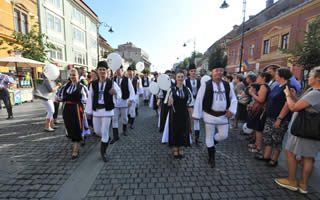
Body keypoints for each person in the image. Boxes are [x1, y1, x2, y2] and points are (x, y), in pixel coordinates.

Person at [275, 66, 320, 194]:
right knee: (308, 157)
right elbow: (301, 105)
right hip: (310, 130)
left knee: (292, 152)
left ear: (318, 78)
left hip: (304, 130)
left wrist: (288, 96)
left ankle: (292, 181)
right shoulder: (313, 91)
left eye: (311, 75)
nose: (308, 77)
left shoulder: (316, 93)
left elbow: (294, 107)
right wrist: (294, 96)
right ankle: (303, 185)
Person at [193, 63, 237, 168]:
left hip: (223, 116)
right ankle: (211, 157)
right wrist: (197, 114)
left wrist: (232, 110)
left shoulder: (228, 85)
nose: (219, 72)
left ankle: (212, 143)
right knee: (209, 136)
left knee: (224, 135)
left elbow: (234, 99)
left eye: (221, 70)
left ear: (223, 72)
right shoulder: (206, 85)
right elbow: (199, 99)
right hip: (209, 115)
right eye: (216, 70)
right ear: (212, 72)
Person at [255, 67, 295, 167]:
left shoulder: (288, 87)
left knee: (276, 139)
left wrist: (280, 118)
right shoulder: (277, 86)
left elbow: (287, 104)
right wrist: (264, 112)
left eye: (276, 74)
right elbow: (270, 101)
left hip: (280, 118)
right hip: (270, 116)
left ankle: (274, 159)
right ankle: (266, 156)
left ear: (281, 76)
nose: (275, 75)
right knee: (267, 136)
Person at [85, 61, 121, 162]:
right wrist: (88, 111)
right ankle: (106, 139)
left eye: (104, 70)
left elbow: (119, 93)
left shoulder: (112, 83)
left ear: (107, 71)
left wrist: (115, 94)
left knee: (104, 131)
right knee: (97, 131)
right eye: (100, 69)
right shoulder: (93, 84)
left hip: (107, 110)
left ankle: (103, 152)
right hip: (97, 110)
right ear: (97, 71)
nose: (102, 71)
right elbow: (90, 98)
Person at [56, 68, 89, 159]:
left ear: (78, 76)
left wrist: (85, 111)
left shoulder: (82, 87)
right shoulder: (66, 86)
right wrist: (59, 99)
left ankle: (75, 150)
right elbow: (59, 94)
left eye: (74, 75)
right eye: (71, 75)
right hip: (67, 109)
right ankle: (81, 137)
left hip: (77, 109)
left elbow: (86, 100)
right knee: (69, 126)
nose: (72, 77)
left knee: (76, 128)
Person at [165, 70, 194, 159]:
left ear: (184, 77)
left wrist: (193, 114)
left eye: (182, 76)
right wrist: (170, 102)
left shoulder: (187, 90)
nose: (180, 78)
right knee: (174, 130)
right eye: (179, 77)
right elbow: (167, 103)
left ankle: (181, 147)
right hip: (174, 113)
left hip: (184, 114)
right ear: (176, 78)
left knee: (183, 130)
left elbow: (190, 103)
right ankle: (175, 148)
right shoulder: (171, 90)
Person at [247, 72, 271, 153]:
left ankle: (258, 148)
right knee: (257, 129)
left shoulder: (263, 87)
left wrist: (252, 94)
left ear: (263, 78)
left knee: (258, 130)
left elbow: (261, 100)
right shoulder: (262, 86)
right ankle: (256, 144)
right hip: (259, 110)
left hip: (260, 111)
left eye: (258, 77)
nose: (257, 79)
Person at [111, 66, 135, 143]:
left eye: (119, 69)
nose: (118, 71)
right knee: (114, 119)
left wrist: (130, 100)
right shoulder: (112, 79)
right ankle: (115, 136)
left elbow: (131, 90)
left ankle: (124, 129)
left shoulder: (126, 79)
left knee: (125, 118)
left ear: (122, 70)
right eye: (117, 69)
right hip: (115, 101)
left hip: (124, 100)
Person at [184, 63, 201, 144]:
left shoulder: (198, 80)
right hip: (189, 102)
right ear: (189, 72)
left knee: (196, 119)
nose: (193, 72)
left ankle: (197, 138)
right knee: (188, 119)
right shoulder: (186, 81)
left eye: (194, 71)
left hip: (197, 102)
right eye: (191, 71)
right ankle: (187, 136)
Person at [127, 65, 141, 129]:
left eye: (131, 71)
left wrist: (138, 86)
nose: (130, 73)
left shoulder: (136, 80)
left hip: (134, 97)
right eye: (129, 71)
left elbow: (139, 89)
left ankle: (131, 123)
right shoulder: (126, 79)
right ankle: (129, 121)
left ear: (133, 72)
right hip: (127, 97)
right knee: (127, 111)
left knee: (132, 110)